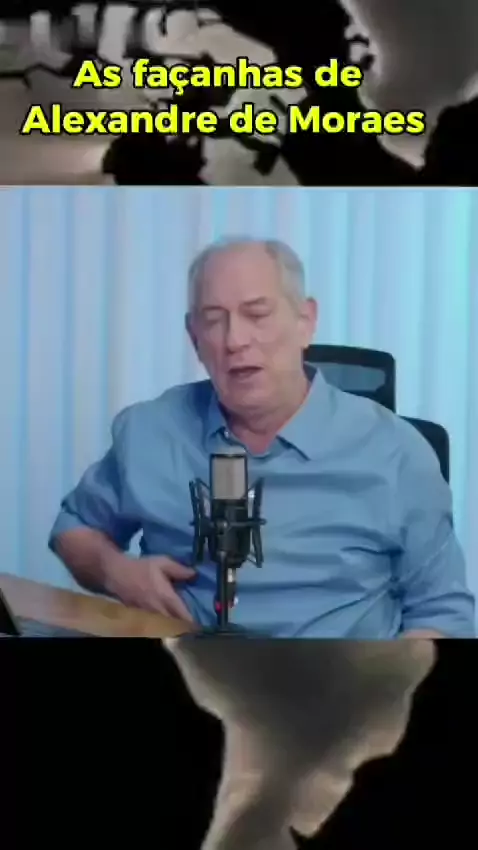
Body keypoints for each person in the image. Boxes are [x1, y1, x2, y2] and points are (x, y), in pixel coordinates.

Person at [49, 237, 475, 638]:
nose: (235, 340)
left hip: (338, 682)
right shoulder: (149, 430)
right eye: (213, 320)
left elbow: (442, 613)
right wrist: (115, 572)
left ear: (305, 322)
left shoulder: (397, 452)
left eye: (257, 315)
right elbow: (73, 528)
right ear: (194, 338)